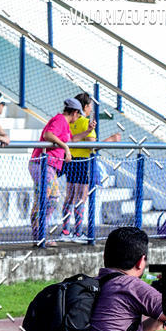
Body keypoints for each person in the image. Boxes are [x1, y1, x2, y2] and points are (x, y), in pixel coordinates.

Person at [61, 91, 121, 241]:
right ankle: (78, 232)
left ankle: (65, 231)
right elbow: (93, 147)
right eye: (90, 107)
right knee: (81, 197)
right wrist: (112, 139)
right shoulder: (84, 122)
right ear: (85, 107)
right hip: (83, 162)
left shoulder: (70, 121)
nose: (91, 110)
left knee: (69, 196)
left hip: (70, 160)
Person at [29, 98, 83, 246]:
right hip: (42, 164)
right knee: (49, 198)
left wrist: (88, 131)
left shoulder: (65, 124)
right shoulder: (60, 120)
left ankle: (39, 236)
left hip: (47, 165)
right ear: (75, 112)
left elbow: (70, 140)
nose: (78, 118)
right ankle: (40, 236)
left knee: (47, 199)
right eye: (79, 115)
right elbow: (48, 135)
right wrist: (65, 148)